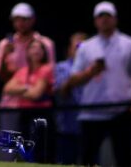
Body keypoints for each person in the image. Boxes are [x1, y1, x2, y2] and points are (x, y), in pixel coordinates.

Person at [63, 1, 131, 167]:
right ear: (95, 21)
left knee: (124, 159)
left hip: (122, 110)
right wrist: (90, 72)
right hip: (92, 111)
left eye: (108, 16)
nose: (104, 20)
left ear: (115, 19)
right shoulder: (86, 47)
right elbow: (73, 80)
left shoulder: (130, 44)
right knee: (87, 160)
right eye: (100, 16)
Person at [0, 3, 55, 130]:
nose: (20, 23)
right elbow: (5, 83)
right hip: (10, 103)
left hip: (39, 105)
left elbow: (48, 76)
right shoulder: (5, 44)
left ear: (32, 20)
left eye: (24, 19)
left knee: (38, 145)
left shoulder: (45, 44)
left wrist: (23, 89)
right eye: (16, 19)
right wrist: (5, 56)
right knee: (12, 147)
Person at [54, 31, 87, 165]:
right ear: (69, 49)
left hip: (91, 125)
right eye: (77, 47)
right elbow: (61, 93)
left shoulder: (94, 69)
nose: (80, 51)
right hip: (67, 126)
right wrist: (75, 78)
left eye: (83, 48)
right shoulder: (61, 67)